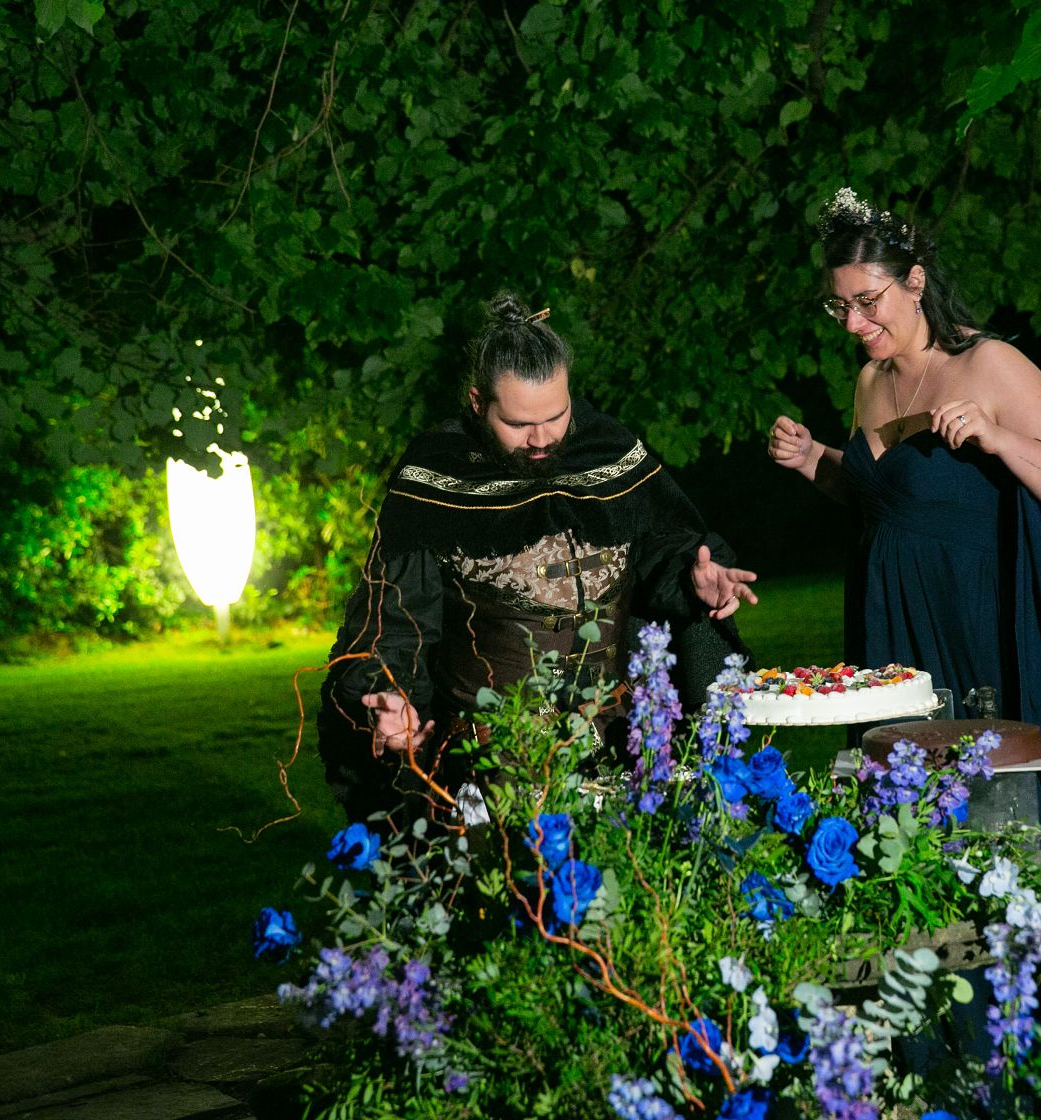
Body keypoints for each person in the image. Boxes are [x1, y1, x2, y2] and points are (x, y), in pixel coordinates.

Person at [766, 187, 1041, 876]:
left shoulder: (987, 364)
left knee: (1000, 816)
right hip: (894, 621)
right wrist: (815, 459)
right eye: (840, 305)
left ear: (914, 282)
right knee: (911, 827)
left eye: (867, 302)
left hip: (978, 616)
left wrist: (999, 438)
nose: (853, 322)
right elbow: (886, 501)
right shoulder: (871, 381)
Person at [319, 292, 758, 826]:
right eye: (519, 424)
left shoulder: (608, 450)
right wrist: (390, 693)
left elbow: (661, 548)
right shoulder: (434, 478)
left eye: (557, 415)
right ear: (478, 402)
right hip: (491, 767)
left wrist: (693, 577)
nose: (543, 438)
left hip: (623, 745)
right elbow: (394, 621)